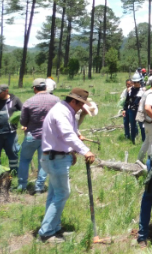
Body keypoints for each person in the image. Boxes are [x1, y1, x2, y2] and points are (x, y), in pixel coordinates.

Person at [37, 88, 96, 243]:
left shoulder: (66, 110)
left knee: (54, 194)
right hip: (55, 158)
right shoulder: (61, 112)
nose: (82, 107)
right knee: (62, 193)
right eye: (81, 104)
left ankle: (54, 227)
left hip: (56, 157)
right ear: (73, 101)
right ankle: (46, 233)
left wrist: (71, 152)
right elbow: (67, 134)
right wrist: (85, 151)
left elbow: (67, 133)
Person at [17, 78, 59, 193]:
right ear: (45, 87)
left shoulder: (29, 102)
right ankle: (39, 187)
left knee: (25, 160)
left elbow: (23, 122)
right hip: (48, 137)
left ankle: (22, 186)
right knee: (44, 161)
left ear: (35, 88)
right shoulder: (56, 100)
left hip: (32, 136)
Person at [124, 78, 145, 144]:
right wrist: (124, 109)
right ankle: (133, 140)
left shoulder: (143, 90)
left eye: (137, 82)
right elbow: (127, 100)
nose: (136, 84)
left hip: (140, 110)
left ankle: (144, 141)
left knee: (142, 126)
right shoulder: (130, 90)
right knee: (132, 126)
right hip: (132, 110)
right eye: (134, 82)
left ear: (140, 82)